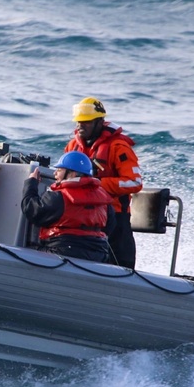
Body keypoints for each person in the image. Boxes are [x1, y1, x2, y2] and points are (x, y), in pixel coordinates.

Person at [64, 97, 142, 268]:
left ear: (100, 122)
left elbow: (134, 182)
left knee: (122, 263)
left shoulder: (118, 147)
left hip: (114, 215)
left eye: (86, 122)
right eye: (78, 122)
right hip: (80, 215)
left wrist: (98, 184)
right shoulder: (72, 146)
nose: (80, 126)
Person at [21, 150, 114, 263]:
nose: (55, 174)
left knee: (25, 252)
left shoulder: (58, 197)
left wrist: (31, 184)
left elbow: (32, 211)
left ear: (72, 174)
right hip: (99, 255)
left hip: (62, 252)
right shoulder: (104, 199)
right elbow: (110, 226)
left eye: (59, 170)